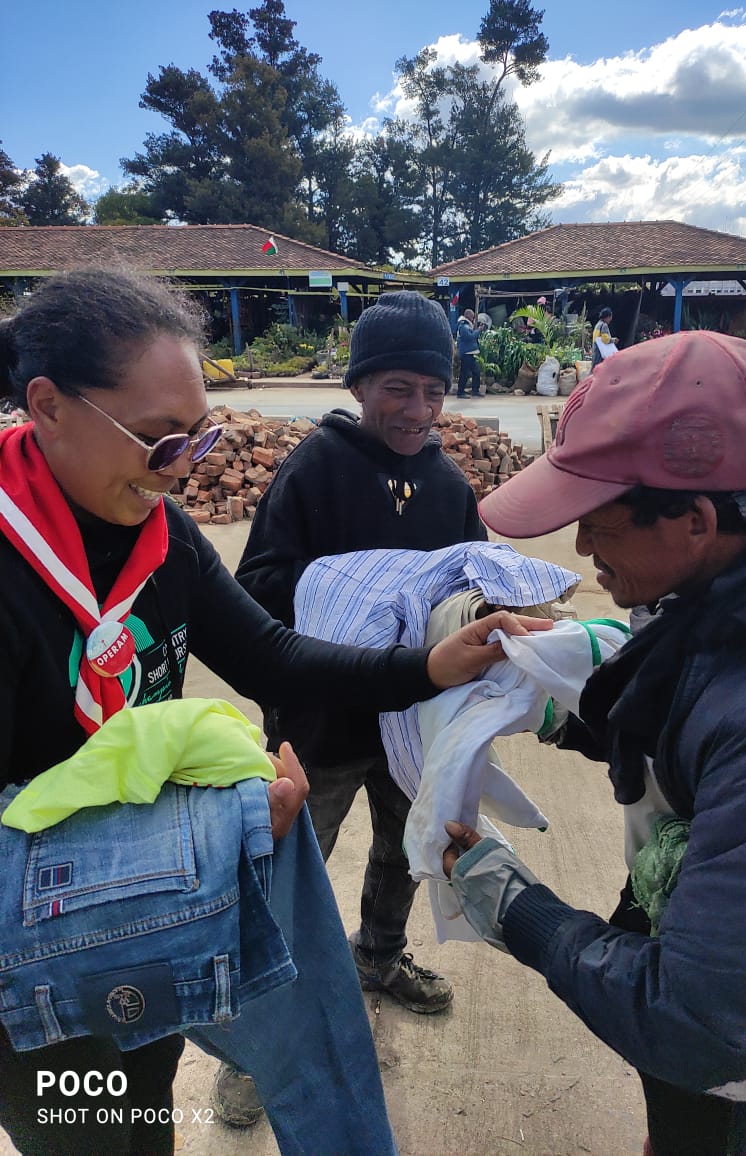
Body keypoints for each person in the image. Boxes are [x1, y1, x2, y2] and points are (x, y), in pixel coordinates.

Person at [0, 269, 543, 1155]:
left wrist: (429, 664)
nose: (179, 468)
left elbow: (270, 653)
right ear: (47, 405)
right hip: (41, 937)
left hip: (149, 907)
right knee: (83, 1125)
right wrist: (209, 833)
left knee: (139, 1107)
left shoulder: (161, 536)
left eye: (195, 438)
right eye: (154, 439)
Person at [442, 331, 746, 1156]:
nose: (579, 550)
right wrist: (575, 699)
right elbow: (695, 689)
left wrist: (523, 912)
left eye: (597, 526)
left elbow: (707, 1028)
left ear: (697, 520)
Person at [225, 290, 489, 1123]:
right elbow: (258, 593)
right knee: (288, 869)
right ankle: (258, 1038)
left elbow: (470, 581)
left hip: (414, 722)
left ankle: (379, 956)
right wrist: (355, 595)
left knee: (405, 845)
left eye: (433, 394)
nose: (418, 411)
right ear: (360, 386)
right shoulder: (314, 469)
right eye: (398, 389)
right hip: (326, 723)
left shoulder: (447, 484)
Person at [455, 307, 482, 398]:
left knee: (476, 372)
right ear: (469, 316)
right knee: (465, 373)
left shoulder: (467, 325)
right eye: (473, 317)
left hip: (470, 353)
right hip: (466, 353)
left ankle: (475, 391)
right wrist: (478, 331)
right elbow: (469, 337)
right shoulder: (463, 326)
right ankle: (460, 392)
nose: (473, 319)